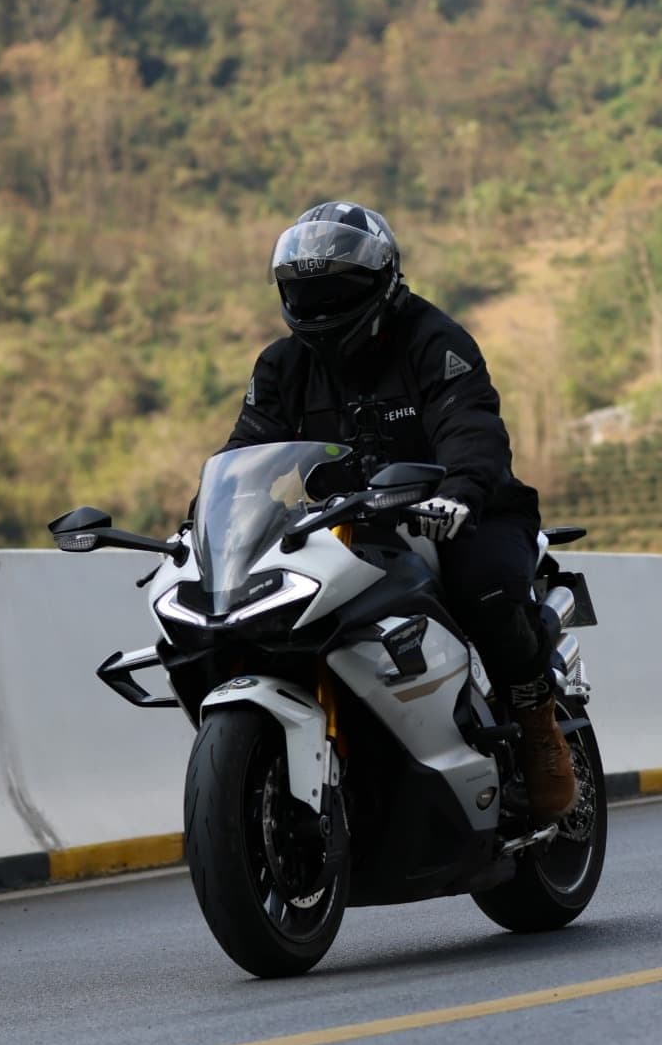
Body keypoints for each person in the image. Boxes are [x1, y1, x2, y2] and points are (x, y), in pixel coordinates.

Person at [220, 201, 577, 819]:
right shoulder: (282, 365)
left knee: (483, 586)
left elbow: (471, 427)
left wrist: (460, 493)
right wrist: (212, 519)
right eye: (307, 289)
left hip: (458, 512)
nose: (321, 302)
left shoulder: (434, 341)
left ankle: (536, 718)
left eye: (336, 287)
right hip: (341, 521)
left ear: (383, 280)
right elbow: (247, 448)